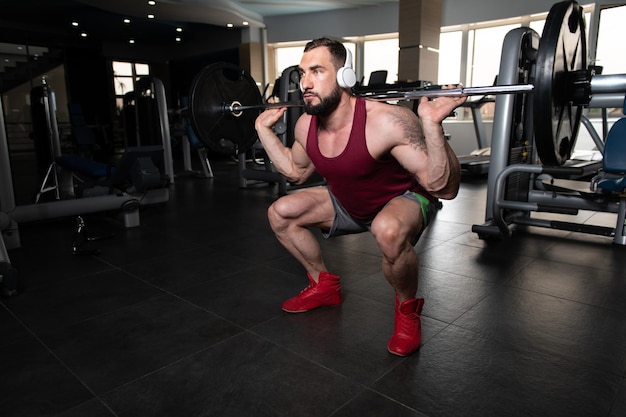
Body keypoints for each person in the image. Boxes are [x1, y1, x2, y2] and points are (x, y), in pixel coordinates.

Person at [254, 37, 466, 356]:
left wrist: (432, 124)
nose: (305, 83)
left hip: (402, 199)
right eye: (301, 73)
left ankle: (407, 312)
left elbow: (445, 189)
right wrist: (263, 130)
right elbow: (296, 172)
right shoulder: (305, 125)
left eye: (316, 71)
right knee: (281, 212)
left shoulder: (386, 121)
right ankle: (323, 285)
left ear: (344, 77)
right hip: (349, 201)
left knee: (388, 230)